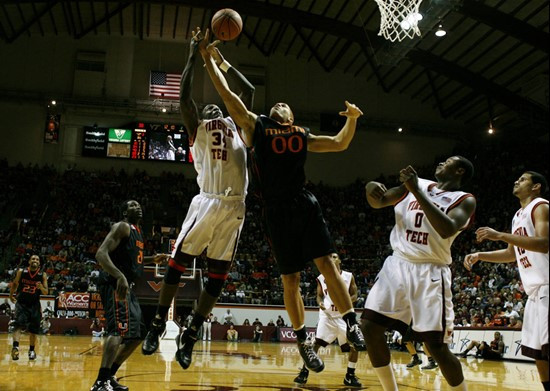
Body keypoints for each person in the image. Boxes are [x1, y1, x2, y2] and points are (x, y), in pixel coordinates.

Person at [200, 29, 366, 374]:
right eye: (277, 104)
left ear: (290, 116)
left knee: (327, 267)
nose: (279, 104)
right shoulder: (255, 126)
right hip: (274, 208)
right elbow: (228, 96)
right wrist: (208, 62)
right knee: (290, 280)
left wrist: (351, 119)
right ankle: (304, 340)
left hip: (303, 203)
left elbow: (339, 144)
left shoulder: (301, 134)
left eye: (285, 105)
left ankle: (352, 323)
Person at [141, 26, 255, 373]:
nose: (210, 108)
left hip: (235, 207)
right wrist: (193, 54)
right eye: (205, 108)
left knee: (218, 276)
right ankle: (159, 322)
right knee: (178, 263)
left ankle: (191, 335)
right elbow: (184, 97)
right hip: (207, 202)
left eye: (213, 106)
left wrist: (221, 61)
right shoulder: (197, 130)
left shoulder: (238, 125)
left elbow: (247, 90)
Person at [362, 156, 476, 391]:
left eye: (448, 162)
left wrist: (416, 190)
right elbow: (380, 201)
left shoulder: (464, 200)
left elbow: (446, 229)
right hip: (398, 264)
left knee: (436, 347)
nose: (441, 163)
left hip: (430, 270)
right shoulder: (415, 185)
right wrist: (370, 188)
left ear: (460, 171)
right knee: (369, 327)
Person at [464, 171, 548, 390]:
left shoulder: (541, 206)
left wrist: (499, 235)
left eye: (522, 180)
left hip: (548, 286)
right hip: (534, 294)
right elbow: (512, 254)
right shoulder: (517, 215)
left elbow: (543, 243)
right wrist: (481, 255)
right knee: (539, 355)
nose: (516, 181)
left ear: (536, 186)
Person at [90, 200, 168, 391]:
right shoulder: (122, 227)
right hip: (115, 284)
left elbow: (133, 260)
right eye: (132, 205)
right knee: (117, 330)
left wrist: (152, 258)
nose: (138, 207)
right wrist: (119, 276)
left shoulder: (138, 232)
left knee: (138, 334)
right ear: (124, 211)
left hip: (127, 286)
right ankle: (100, 382)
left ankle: (110, 376)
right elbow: (101, 254)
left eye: (139, 204)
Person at [293, 255, 362, 387]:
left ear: (340, 261)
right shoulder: (321, 277)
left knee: (354, 345)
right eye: (330, 257)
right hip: (328, 316)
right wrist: (320, 303)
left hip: (344, 315)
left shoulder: (348, 276)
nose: (332, 258)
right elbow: (319, 296)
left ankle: (350, 376)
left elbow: (355, 294)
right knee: (316, 344)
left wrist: (346, 300)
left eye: (335, 256)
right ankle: (304, 372)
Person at [9, 254, 48, 361]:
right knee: (18, 325)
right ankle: (15, 348)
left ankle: (31, 350)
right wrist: (11, 295)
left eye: (37, 259)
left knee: (33, 330)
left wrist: (41, 287)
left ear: (39, 263)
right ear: (29, 261)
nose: (35, 260)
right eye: (33, 259)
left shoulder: (42, 275)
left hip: (34, 304)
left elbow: (46, 292)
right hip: (21, 303)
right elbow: (15, 284)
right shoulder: (22, 272)